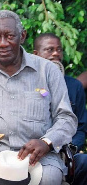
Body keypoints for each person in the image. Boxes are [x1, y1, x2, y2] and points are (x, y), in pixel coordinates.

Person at [0, 10, 77, 185]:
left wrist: (46, 142)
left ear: (22, 36)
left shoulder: (48, 71)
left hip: (39, 155)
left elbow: (66, 118)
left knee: (49, 180)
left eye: (10, 36)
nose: (3, 44)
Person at [33, 33, 87, 185]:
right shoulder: (27, 84)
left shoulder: (74, 87)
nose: (56, 53)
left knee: (84, 162)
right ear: (36, 54)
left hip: (66, 152)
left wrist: (68, 149)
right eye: (49, 50)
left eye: (59, 49)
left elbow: (81, 128)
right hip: (34, 150)